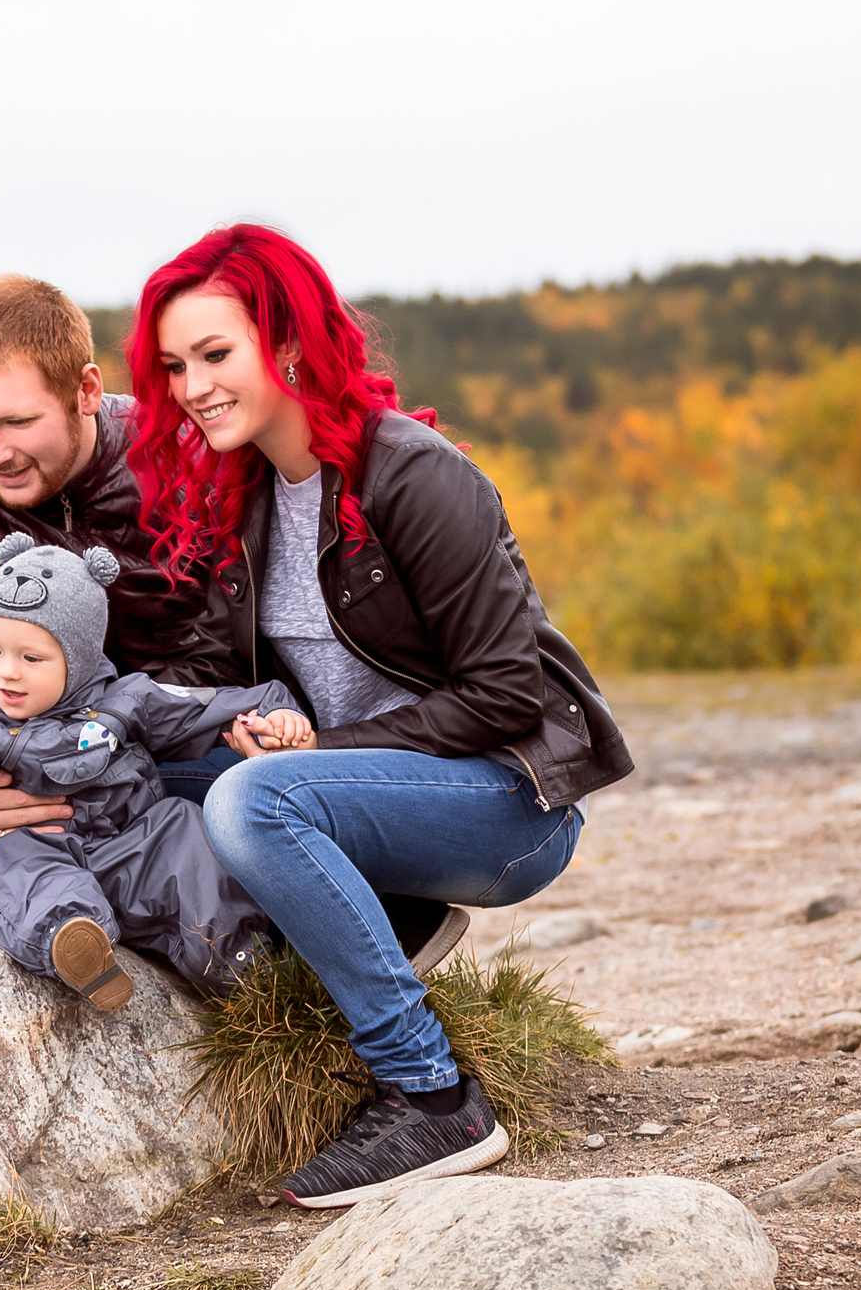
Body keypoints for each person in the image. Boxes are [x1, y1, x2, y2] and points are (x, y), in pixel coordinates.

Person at [122, 223, 635, 1207]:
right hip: (350, 790)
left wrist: (318, 747)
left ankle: (430, 1094)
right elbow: (214, 668)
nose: (192, 386)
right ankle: (354, 922)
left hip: (508, 805)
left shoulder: (415, 474)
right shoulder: (244, 495)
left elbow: (504, 694)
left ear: (287, 344)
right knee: (108, 762)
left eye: (214, 355)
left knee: (253, 805)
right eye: (177, 365)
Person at [0, 274, 472, 972]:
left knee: (238, 791)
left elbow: (247, 638)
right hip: (27, 755)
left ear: (86, 391)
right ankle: (65, 1014)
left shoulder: (183, 451)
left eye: (18, 422)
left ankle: (308, 966)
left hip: (179, 738)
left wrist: (134, 724)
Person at [0, 533, 313, 1010]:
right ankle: (78, 948)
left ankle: (242, 969)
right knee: (12, 868)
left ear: (79, 658)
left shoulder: (124, 700)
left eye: (31, 658)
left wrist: (273, 716)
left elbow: (205, 708)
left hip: (129, 845)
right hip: (42, 843)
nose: (6, 673)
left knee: (182, 831)